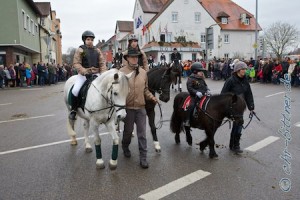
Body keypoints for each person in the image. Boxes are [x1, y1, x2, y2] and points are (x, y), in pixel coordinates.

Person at [120, 47, 158, 169]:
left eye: (136, 57)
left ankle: (143, 158)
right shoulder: (121, 72)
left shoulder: (143, 72)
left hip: (141, 107)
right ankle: (125, 146)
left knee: (142, 134)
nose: (135, 59)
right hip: (128, 108)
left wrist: (152, 97)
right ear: (127, 58)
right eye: (132, 57)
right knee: (127, 132)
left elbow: (145, 89)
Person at [70, 30, 106, 120]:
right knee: (75, 90)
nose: (90, 41)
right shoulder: (81, 50)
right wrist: (84, 71)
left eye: (92, 40)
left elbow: (102, 63)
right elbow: (77, 63)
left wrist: (104, 74)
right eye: (88, 39)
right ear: (84, 40)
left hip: (96, 74)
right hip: (84, 74)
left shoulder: (97, 50)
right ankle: (73, 110)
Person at [221, 61, 255, 154]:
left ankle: (234, 145)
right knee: (238, 124)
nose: (245, 71)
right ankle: (234, 145)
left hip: (241, 107)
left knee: (238, 125)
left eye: (245, 69)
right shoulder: (230, 80)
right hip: (233, 108)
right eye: (243, 69)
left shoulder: (245, 80)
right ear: (237, 70)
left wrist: (251, 107)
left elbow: (248, 94)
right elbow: (223, 94)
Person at [185, 62, 210, 127]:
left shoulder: (201, 78)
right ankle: (187, 120)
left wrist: (207, 90)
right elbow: (189, 88)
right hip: (194, 96)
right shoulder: (191, 78)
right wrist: (196, 92)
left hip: (204, 95)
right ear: (195, 71)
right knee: (191, 106)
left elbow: (205, 85)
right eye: (200, 71)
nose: (202, 72)